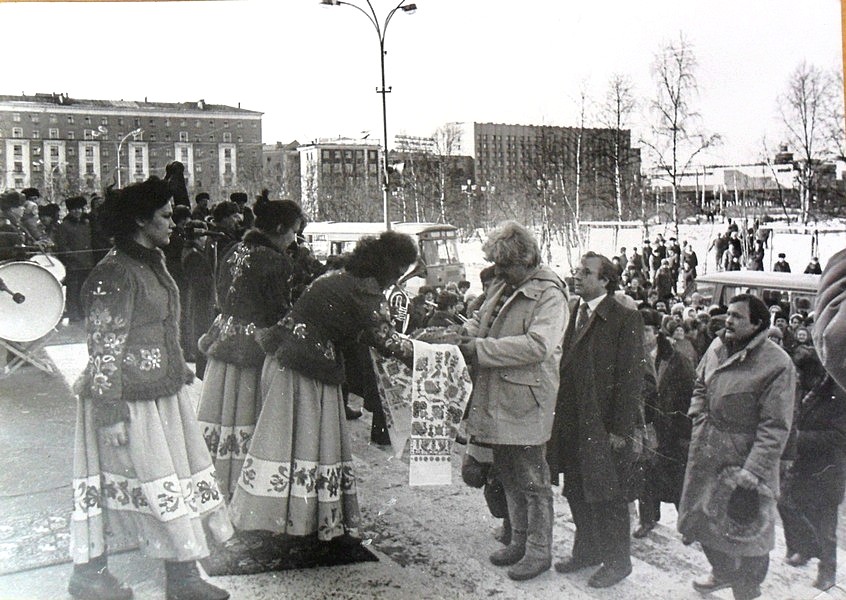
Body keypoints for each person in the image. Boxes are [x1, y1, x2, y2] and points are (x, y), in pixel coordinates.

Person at [68, 176, 231, 600]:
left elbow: (160, 326)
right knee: (125, 487)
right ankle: (89, 576)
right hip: (126, 400)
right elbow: (103, 345)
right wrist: (110, 411)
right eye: (165, 216)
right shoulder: (116, 272)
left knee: (167, 485)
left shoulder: (147, 262)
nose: (174, 224)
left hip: (159, 394)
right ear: (141, 220)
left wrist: (178, 370)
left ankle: (183, 577)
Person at [229, 231, 418, 546]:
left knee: (283, 446)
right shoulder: (365, 294)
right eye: (399, 272)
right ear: (387, 269)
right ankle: (302, 521)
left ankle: (274, 516)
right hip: (308, 373)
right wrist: (436, 349)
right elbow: (386, 341)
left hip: (282, 362)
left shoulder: (334, 278)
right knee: (308, 445)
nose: (398, 279)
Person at [459, 221, 568, 581]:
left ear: (526, 258)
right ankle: (518, 541)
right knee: (508, 475)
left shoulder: (550, 294)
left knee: (534, 481)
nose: (499, 272)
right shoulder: (509, 285)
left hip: (526, 402)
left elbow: (539, 345)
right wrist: (467, 334)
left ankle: (539, 551)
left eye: (505, 265)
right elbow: (481, 318)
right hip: (499, 395)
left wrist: (481, 349)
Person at [678, 293, 795, 600]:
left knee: (748, 534)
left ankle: (748, 589)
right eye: (728, 313)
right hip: (708, 449)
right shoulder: (717, 345)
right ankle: (721, 572)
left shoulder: (778, 364)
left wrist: (753, 471)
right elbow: (701, 382)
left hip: (745, 459)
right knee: (702, 520)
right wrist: (697, 411)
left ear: (757, 324)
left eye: (737, 317)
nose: (727, 320)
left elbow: (775, 425)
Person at [548, 251, 644, 588]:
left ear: (605, 280)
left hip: (601, 424)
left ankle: (618, 562)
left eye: (585, 272)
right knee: (576, 489)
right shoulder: (575, 309)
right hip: (572, 420)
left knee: (608, 494)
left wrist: (620, 429)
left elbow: (631, 378)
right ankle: (587, 550)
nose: (577, 276)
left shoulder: (624, 317)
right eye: (576, 270)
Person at [196, 199, 303, 500]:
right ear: (280, 228)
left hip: (224, 340)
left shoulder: (232, 249)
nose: (294, 239)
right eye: (294, 231)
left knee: (222, 418)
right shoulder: (275, 260)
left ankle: (218, 481)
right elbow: (278, 312)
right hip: (252, 350)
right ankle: (248, 486)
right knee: (248, 417)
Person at [778, 374, 846, 591]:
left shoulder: (841, 391)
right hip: (807, 463)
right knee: (787, 502)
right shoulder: (825, 381)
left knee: (825, 523)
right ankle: (805, 549)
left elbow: (839, 438)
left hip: (828, 469)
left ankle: (828, 572)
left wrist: (799, 438)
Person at [633, 309, 695, 538]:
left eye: (646, 330)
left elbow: (690, 395)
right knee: (646, 474)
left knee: (678, 478)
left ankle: (687, 524)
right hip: (647, 425)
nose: (641, 335)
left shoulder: (676, 359)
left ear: (656, 332)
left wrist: (685, 431)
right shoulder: (632, 355)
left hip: (673, 427)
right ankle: (647, 518)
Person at [55, 196, 95, 322]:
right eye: (74, 209)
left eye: (79, 209)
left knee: (85, 289)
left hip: (88, 262)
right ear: (69, 211)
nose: (77, 212)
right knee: (73, 289)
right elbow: (62, 245)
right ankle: (73, 313)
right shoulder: (64, 226)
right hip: (73, 264)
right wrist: (72, 256)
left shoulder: (86, 224)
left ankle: (84, 312)